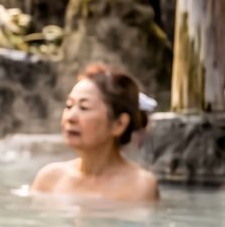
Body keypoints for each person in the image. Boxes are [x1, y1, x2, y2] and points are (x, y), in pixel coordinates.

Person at [30, 62, 159, 202]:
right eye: (69, 106)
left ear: (119, 124)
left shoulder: (139, 186)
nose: (70, 117)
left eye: (84, 107)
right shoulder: (49, 179)